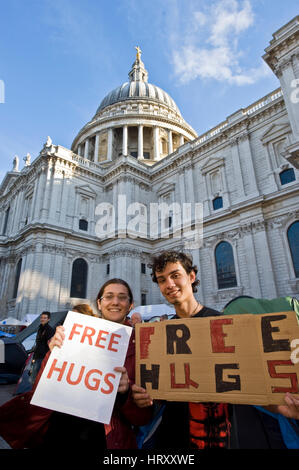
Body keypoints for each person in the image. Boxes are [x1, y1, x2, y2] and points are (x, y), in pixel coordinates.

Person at [132, 250, 299, 449]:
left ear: (192, 277)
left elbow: (250, 386)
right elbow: (158, 395)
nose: (169, 284)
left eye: (175, 275)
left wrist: (279, 407)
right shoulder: (159, 335)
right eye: (162, 280)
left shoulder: (225, 324)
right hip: (174, 439)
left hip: (224, 436)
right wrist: (144, 398)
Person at [0, 279, 152, 449]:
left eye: (122, 297)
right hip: (60, 432)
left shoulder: (143, 347)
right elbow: (41, 389)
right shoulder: (73, 334)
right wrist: (54, 353)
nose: (115, 302)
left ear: (130, 305)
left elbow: (144, 417)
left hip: (106, 438)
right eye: (109, 296)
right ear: (99, 304)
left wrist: (126, 393)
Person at [29, 311, 54, 384]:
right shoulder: (40, 328)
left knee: (36, 377)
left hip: (42, 357)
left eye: (45, 318)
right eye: (42, 317)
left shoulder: (49, 330)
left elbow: (50, 344)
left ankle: (33, 392)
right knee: (33, 376)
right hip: (36, 355)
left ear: (48, 319)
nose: (42, 319)